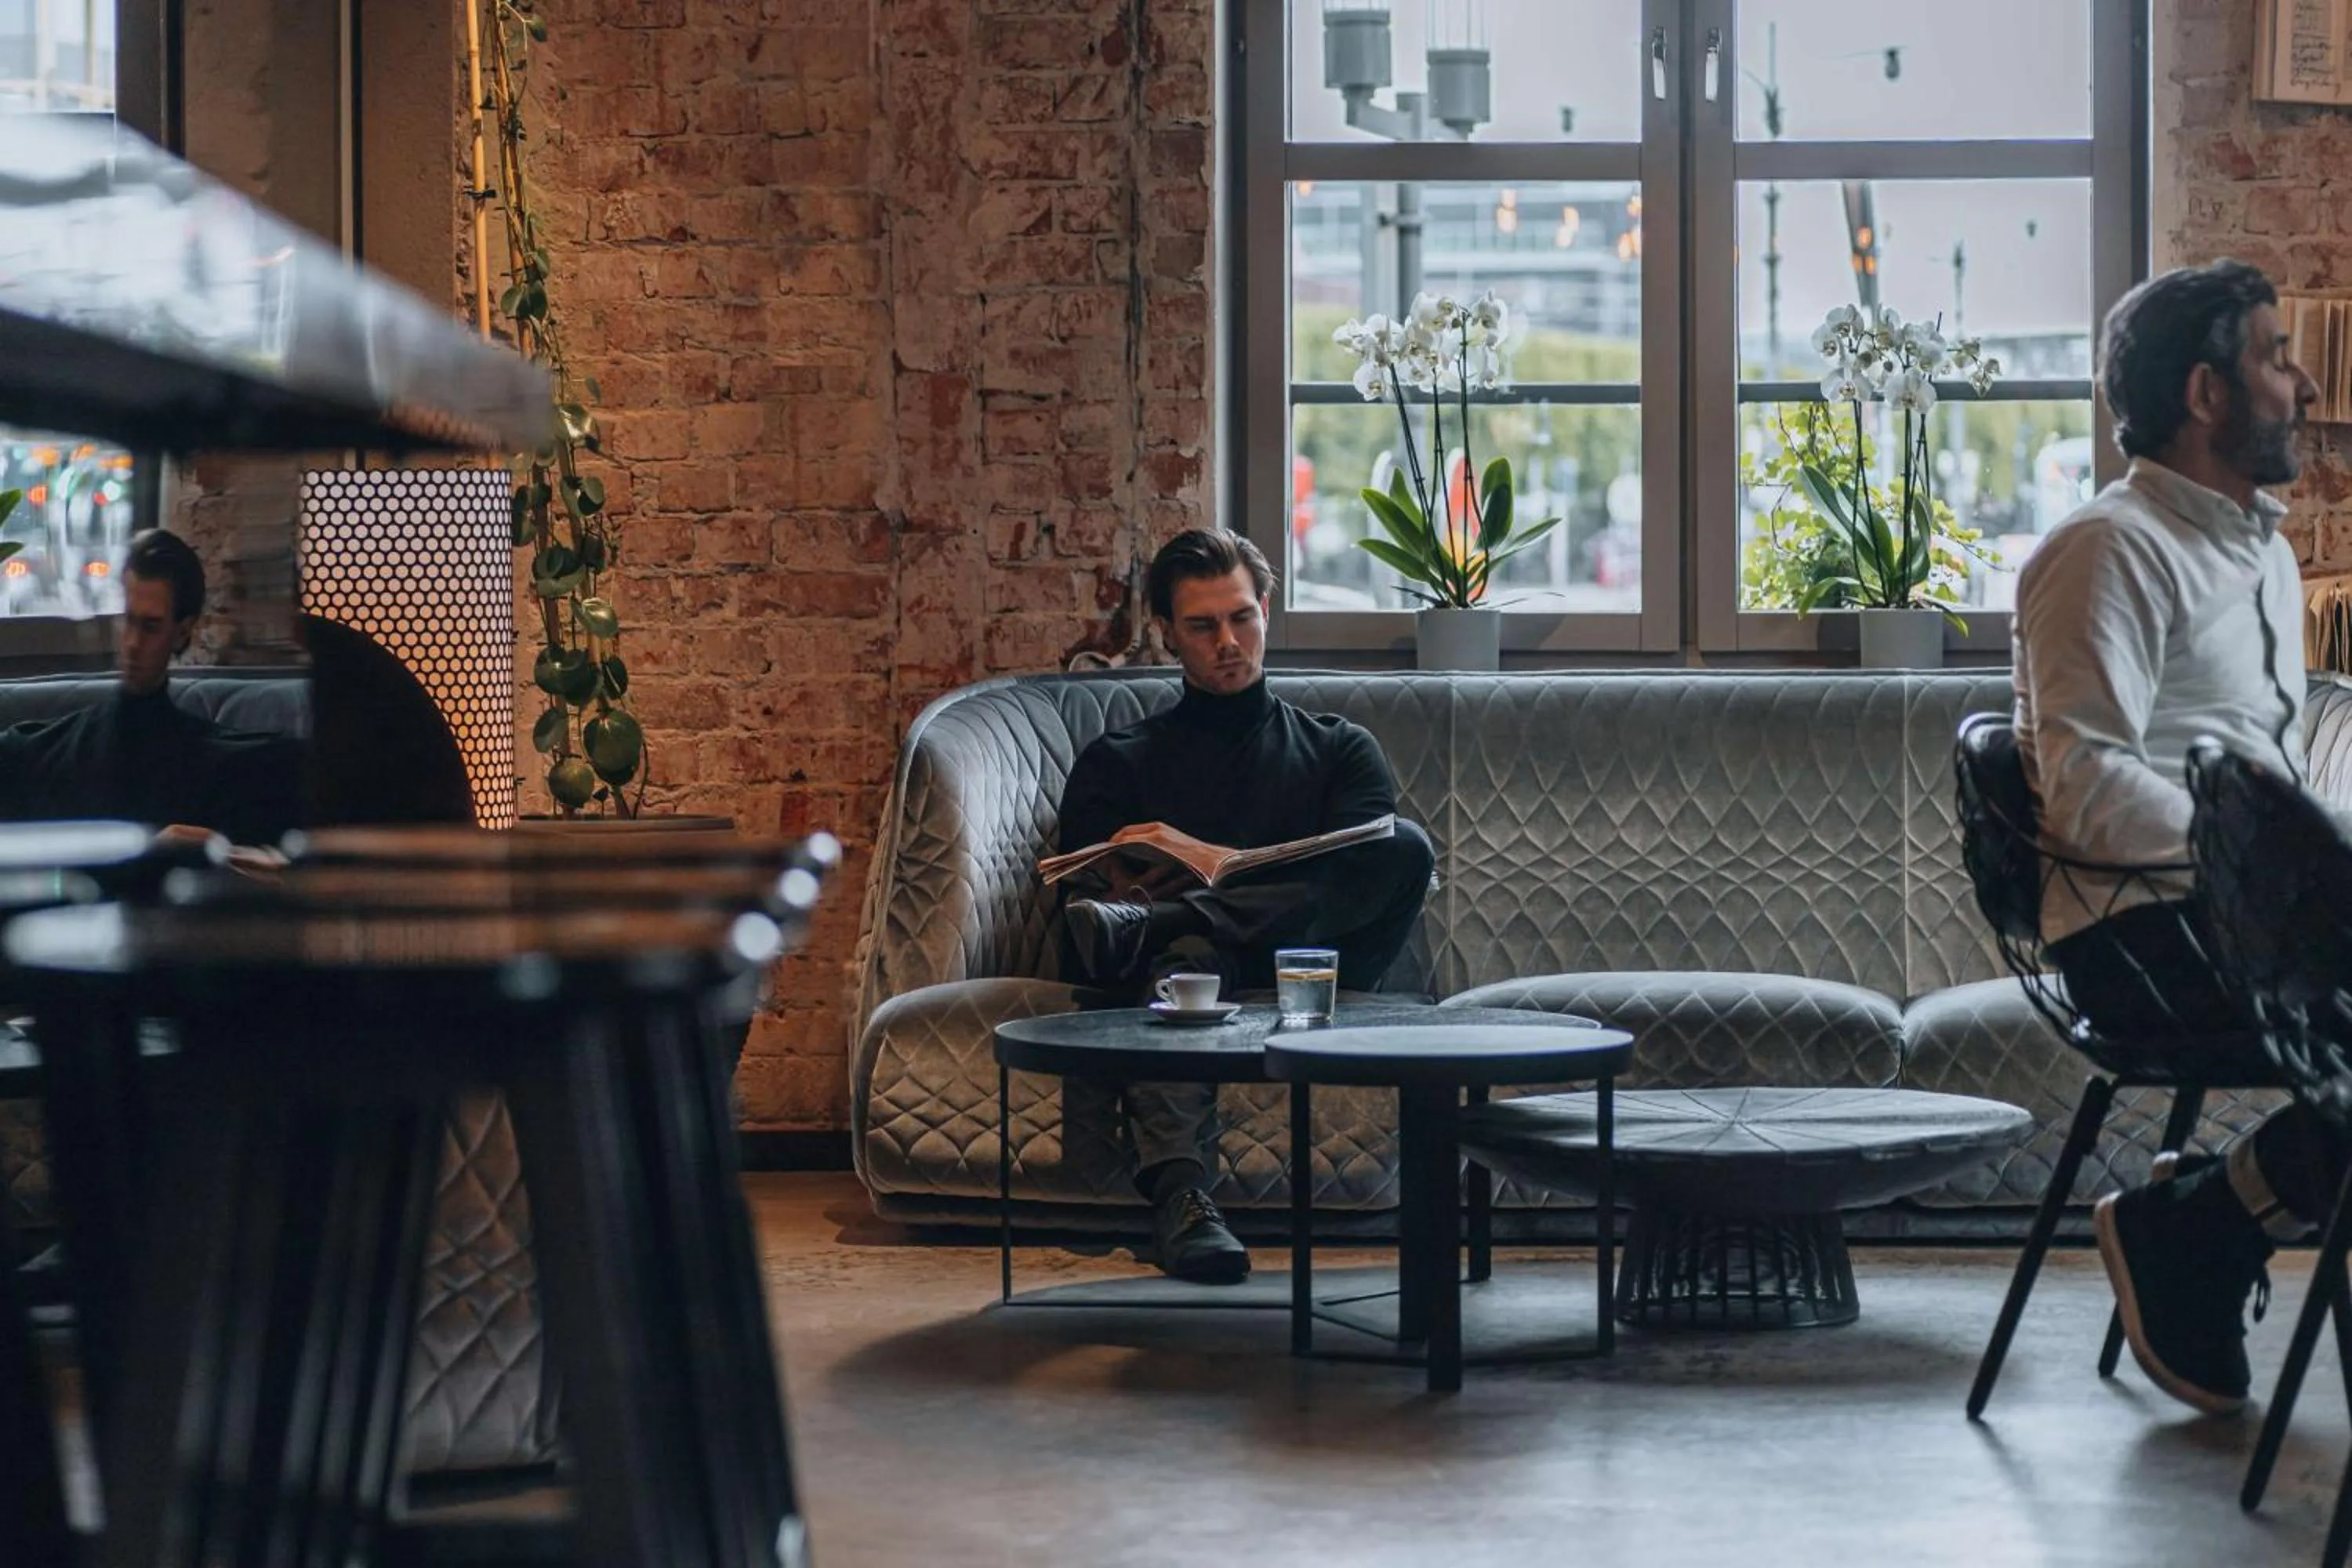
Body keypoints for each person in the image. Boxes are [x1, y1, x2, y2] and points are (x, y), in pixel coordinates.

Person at [2014, 258, 2328, 1416]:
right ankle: (2203, 1222)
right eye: (2275, 357)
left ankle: (2208, 1216)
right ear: (2207, 394)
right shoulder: (2107, 550)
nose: (2301, 387)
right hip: (2144, 943)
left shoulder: (2261, 552)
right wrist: (2281, 862)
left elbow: (2267, 769)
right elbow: (2088, 789)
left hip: (2252, 926)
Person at [1054, 528, 1435, 1283]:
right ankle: (1183, 1200)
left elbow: (1373, 879)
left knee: (1407, 847)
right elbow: (1082, 926)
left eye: (1242, 618)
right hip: (1191, 967)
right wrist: (1127, 887)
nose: (1228, 642)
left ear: (1266, 611)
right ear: (1168, 635)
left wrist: (1185, 903)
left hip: (1321, 963)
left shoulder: (1339, 749)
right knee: (1178, 964)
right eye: (1202, 626)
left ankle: (1174, 921)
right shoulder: (1119, 762)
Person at [0, 529, 303, 845]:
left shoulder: (230, 766)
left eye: (151, 627)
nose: (132, 643)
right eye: (127, 621)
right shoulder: (42, 752)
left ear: (182, 633)